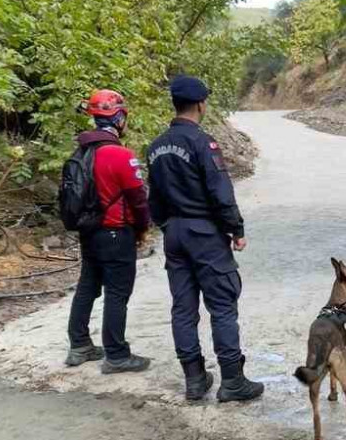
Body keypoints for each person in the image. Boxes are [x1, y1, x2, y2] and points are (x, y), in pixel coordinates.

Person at [146, 75, 263, 402]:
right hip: (204, 234)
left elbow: (153, 199)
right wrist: (236, 230)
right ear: (200, 104)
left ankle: (195, 380)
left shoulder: (155, 147)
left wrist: (167, 227)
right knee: (222, 306)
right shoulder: (203, 143)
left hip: (175, 234)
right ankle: (232, 381)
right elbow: (220, 192)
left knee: (183, 308)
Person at [65, 90, 152, 374]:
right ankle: (116, 354)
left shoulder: (81, 151)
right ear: (118, 117)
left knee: (87, 286)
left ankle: (79, 345)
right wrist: (142, 228)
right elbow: (138, 199)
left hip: (89, 232)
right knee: (117, 293)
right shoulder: (120, 154)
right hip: (116, 233)